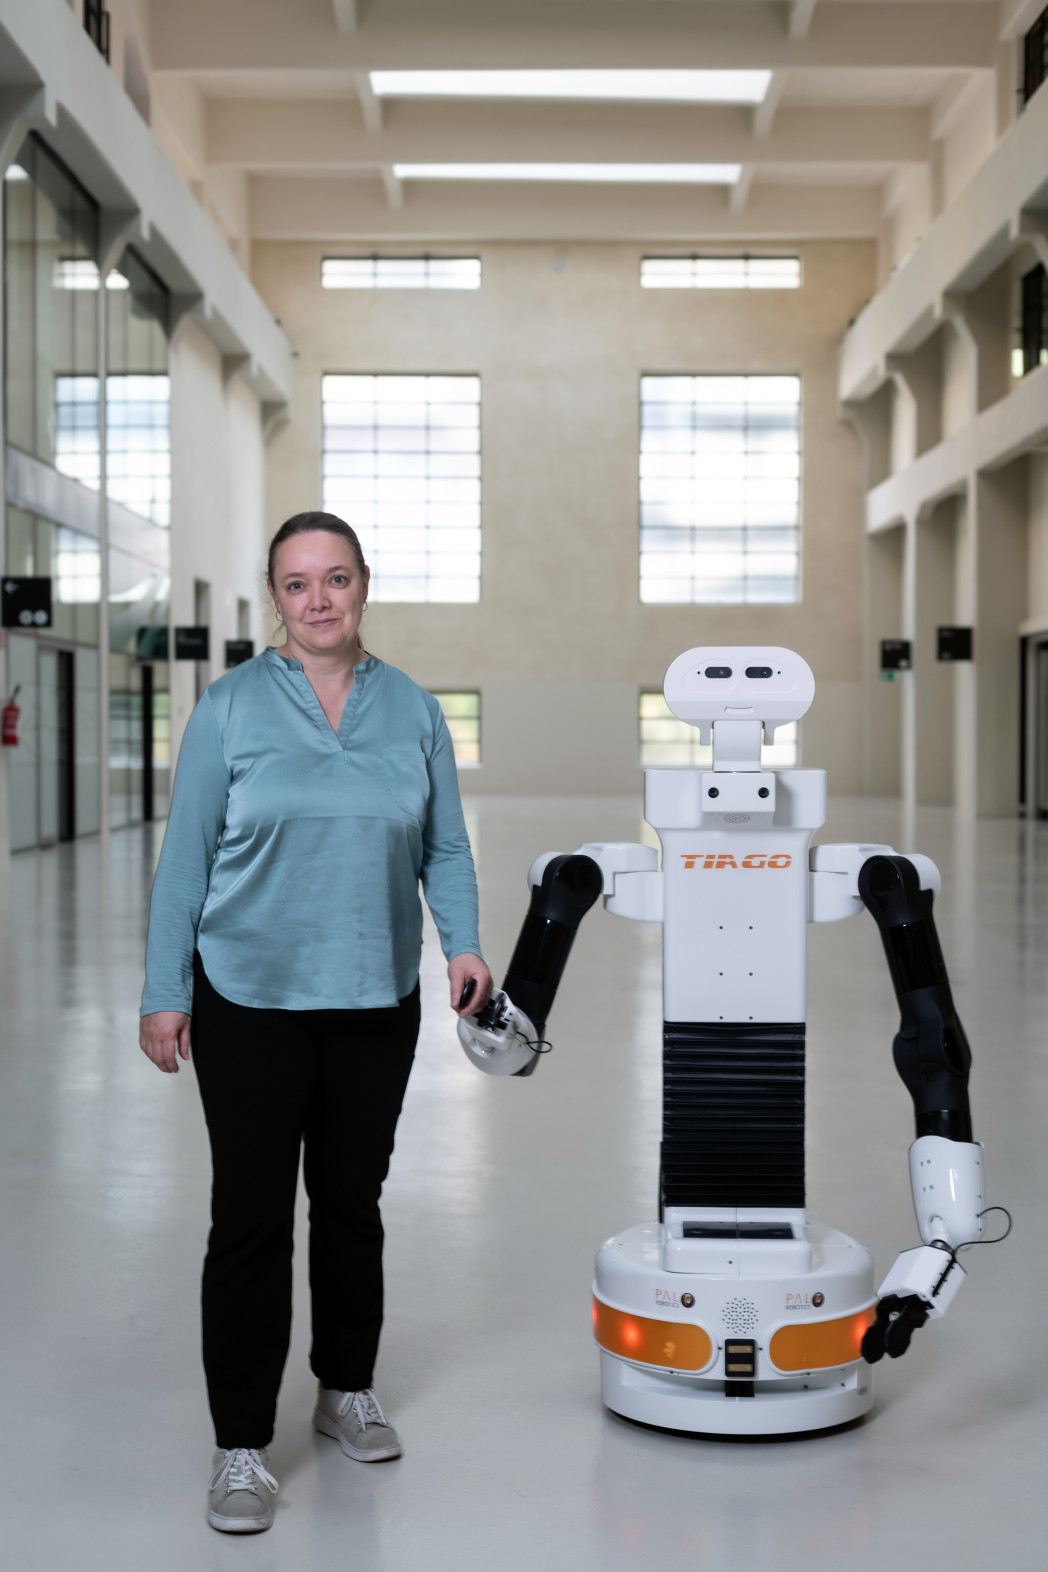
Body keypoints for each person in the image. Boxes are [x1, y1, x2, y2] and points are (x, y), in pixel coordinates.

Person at [138, 511, 492, 1534]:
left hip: (375, 998)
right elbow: (186, 858)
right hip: (247, 997)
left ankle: (345, 1388)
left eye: (335, 579)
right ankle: (242, 1446)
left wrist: (461, 942)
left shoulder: (416, 711)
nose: (319, 600)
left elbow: (448, 849)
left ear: (363, 585)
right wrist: (167, 990)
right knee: (249, 1218)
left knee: (351, 1206)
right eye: (298, 584)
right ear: (276, 597)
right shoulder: (231, 708)